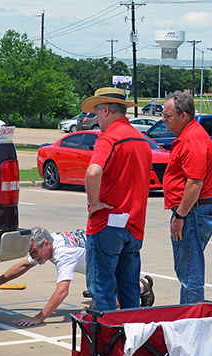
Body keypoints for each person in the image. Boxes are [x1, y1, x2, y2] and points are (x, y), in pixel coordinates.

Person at [0, 227, 155, 326]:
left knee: (96, 311)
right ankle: (127, 288)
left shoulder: (63, 253)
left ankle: (142, 286)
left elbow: (62, 291)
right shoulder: (52, 240)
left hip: (111, 263)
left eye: (35, 252)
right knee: (97, 302)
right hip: (104, 259)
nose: (33, 256)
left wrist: (38, 318)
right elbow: (24, 265)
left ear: (46, 244)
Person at [82, 87, 153, 312]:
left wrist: (93, 204)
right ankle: (131, 332)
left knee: (102, 290)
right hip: (134, 225)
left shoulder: (109, 139)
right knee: (130, 290)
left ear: (105, 110)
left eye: (96, 112)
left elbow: (93, 172)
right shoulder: (142, 141)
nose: (96, 118)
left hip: (107, 225)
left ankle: (108, 333)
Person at [161, 91, 212, 304]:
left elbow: (195, 182)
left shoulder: (193, 138)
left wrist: (180, 215)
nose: (163, 120)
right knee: (187, 270)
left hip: (192, 212)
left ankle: (192, 318)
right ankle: (188, 314)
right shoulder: (188, 135)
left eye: (168, 116)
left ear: (183, 115)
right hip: (192, 210)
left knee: (190, 273)